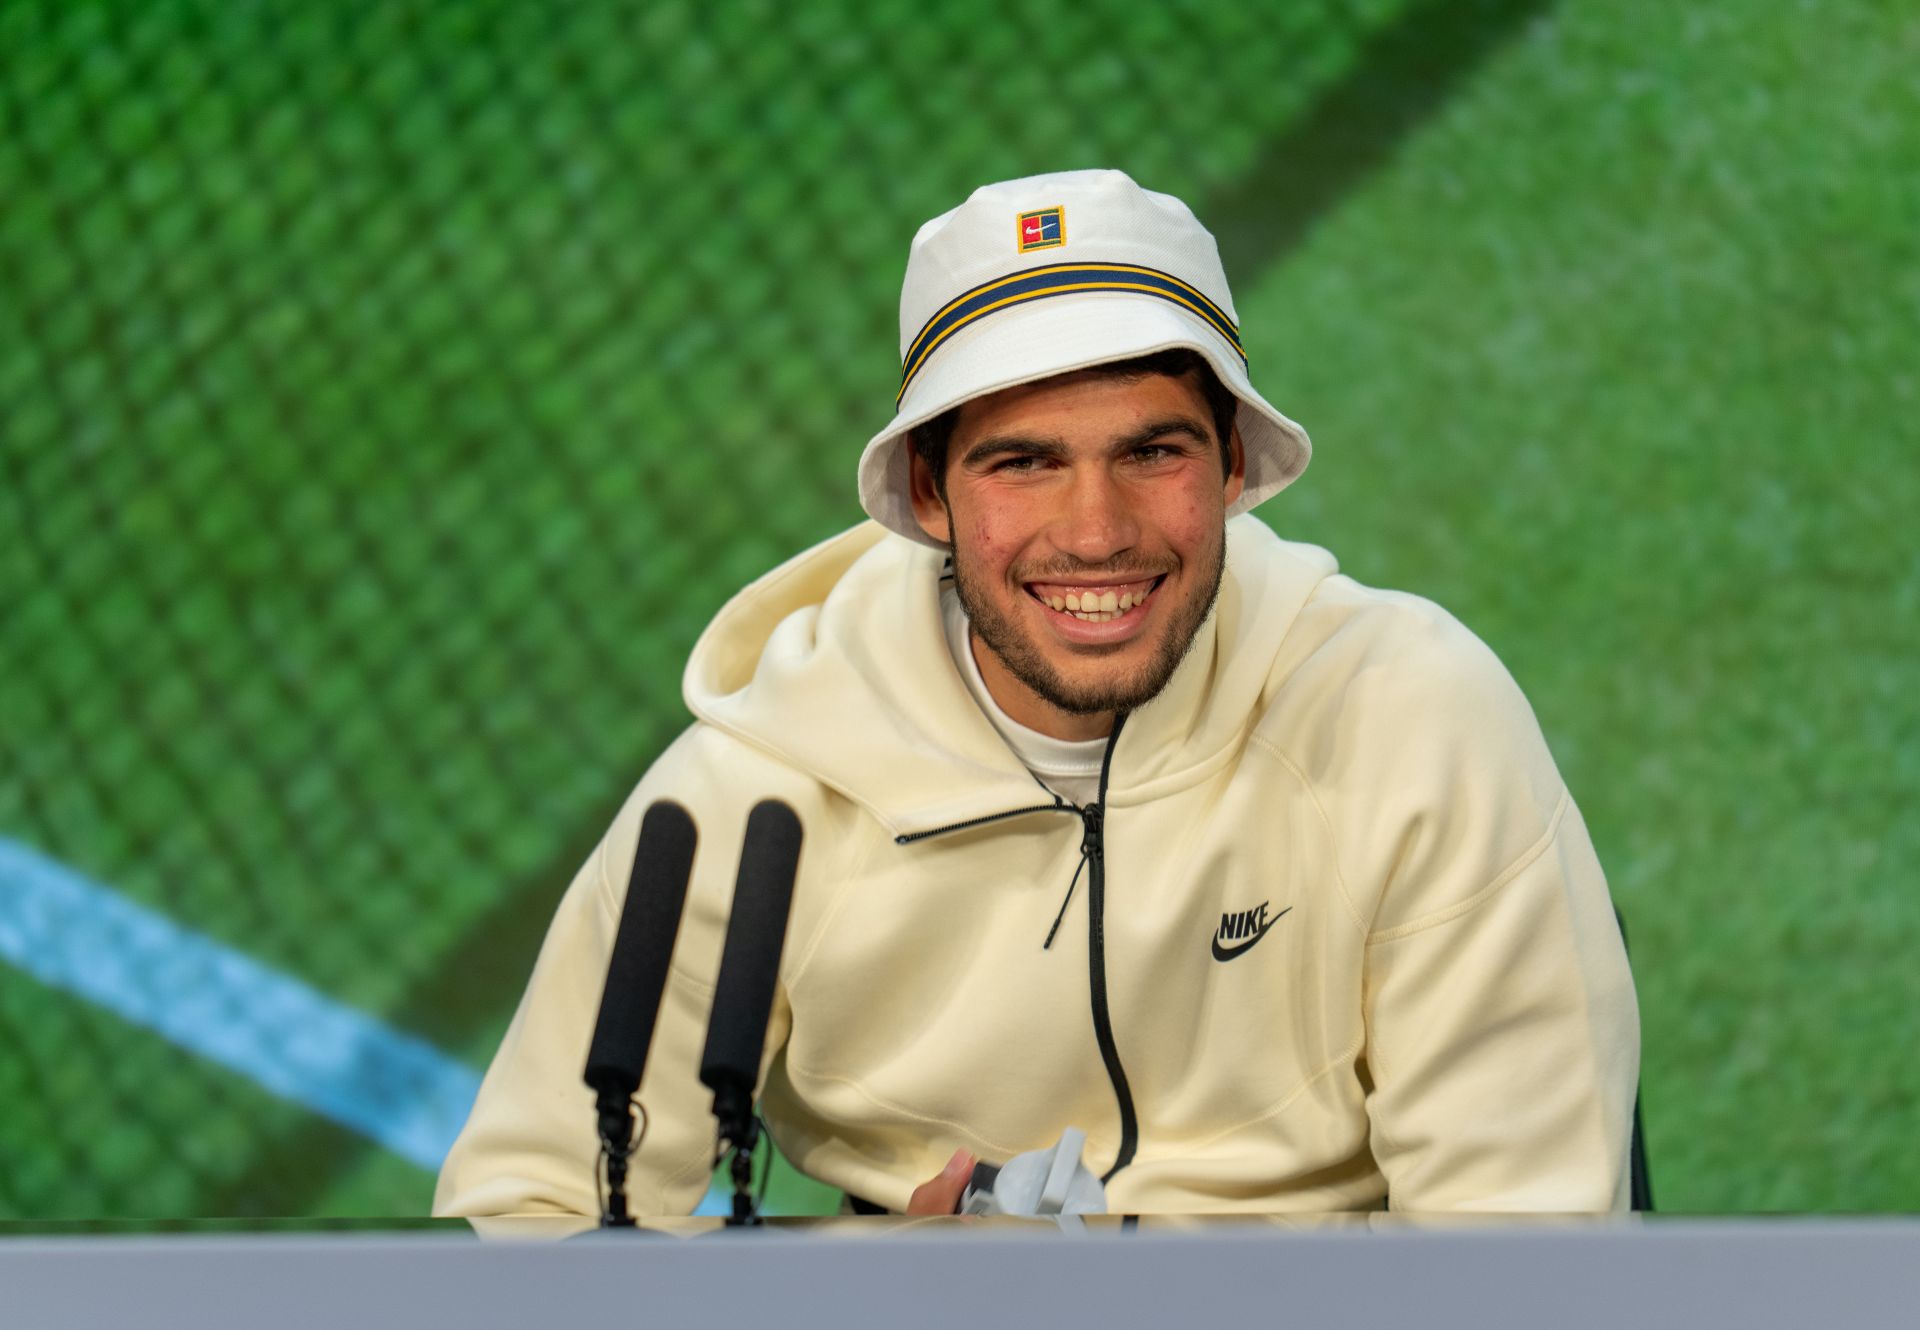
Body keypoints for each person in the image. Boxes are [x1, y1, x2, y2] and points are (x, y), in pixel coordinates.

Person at [434, 169, 1639, 1218]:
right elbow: (533, 1211)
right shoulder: (754, 801)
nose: (1098, 531)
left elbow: (1520, 1255)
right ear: (928, 493)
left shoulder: (1413, 719)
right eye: (1023, 462)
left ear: (1229, 466)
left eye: (1151, 451)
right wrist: (890, 1283)